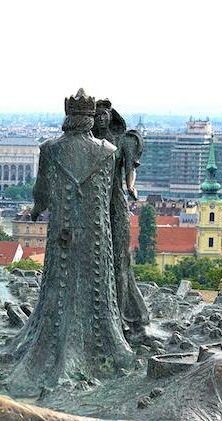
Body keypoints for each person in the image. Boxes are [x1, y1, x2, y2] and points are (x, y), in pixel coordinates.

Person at [1, 89, 133, 395]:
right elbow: (114, 195)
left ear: (68, 118)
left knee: (59, 286)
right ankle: (99, 347)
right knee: (96, 288)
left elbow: (41, 191)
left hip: (62, 231)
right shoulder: (108, 152)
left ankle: (60, 348)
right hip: (96, 235)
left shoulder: (50, 149)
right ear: (89, 121)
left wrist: (35, 211)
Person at [93, 99, 149, 337]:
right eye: (98, 115)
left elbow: (130, 170)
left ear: (111, 116)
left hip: (115, 202)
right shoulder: (87, 144)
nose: (102, 118)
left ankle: (123, 314)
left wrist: (131, 187)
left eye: (105, 114)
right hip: (94, 203)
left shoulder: (124, 140)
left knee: (119, 258)